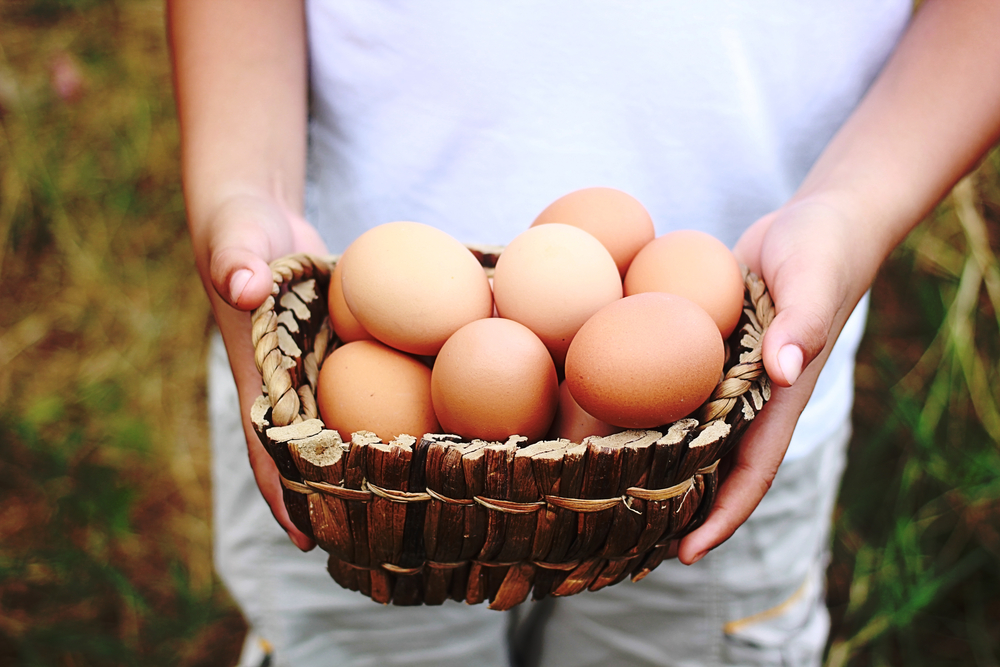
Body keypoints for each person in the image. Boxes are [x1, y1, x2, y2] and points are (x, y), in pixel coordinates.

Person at [167, 1, 1000, 665]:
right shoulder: (371, 379)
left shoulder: (662, 340)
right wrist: (247, 180)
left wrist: (848, 213)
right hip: (354, 443)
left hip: (711, 432)